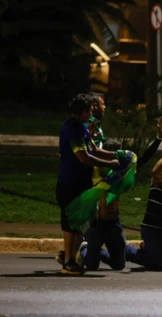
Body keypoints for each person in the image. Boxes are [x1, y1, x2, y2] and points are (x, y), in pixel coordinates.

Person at [74, 116, 162, 271]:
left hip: (114, 223)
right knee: (91, 266)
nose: (116, 159)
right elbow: (84, 155)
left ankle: (94, 251)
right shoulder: (96, 169)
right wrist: (87, 136)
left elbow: (142, 158)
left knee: (119, 265)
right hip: (97, 224)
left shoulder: (120, 171)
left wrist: (159, 138)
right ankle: (84, 249)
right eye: (113, 155)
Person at [56, 94, 120, 275]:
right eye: (90, 111)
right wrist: (108, 163)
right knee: (71, 224)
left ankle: (71, 258)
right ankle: (68, 262)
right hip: (70, 183)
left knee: (79, 224)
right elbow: (84, 157)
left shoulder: (82, 127)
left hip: (81, 182)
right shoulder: (72, 129)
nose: (92, 114)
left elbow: (95, 149)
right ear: (82, 111)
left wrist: (118, 155)